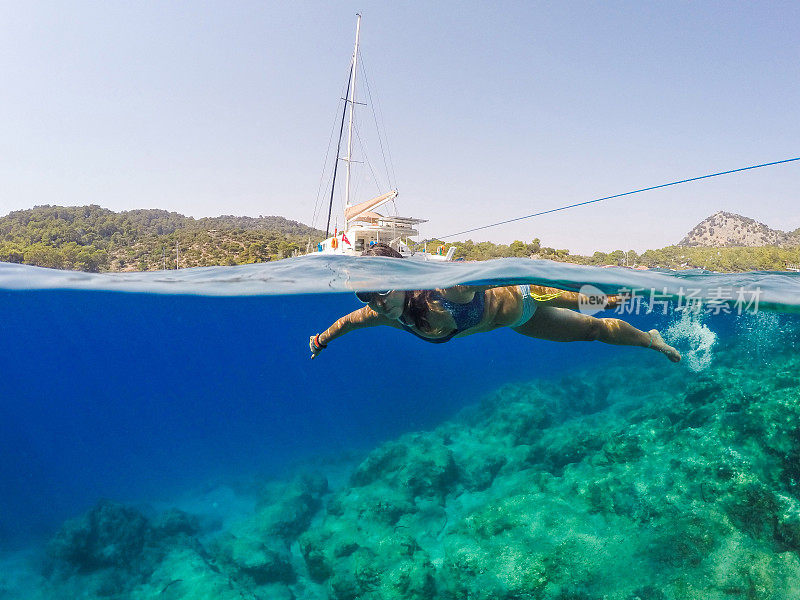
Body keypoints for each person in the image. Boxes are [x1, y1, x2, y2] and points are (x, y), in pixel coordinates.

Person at [309, 243, 681, 362]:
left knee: (601, 306)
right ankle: (651, 338)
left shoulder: (448, 289)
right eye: (365, 294)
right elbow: (347, 323)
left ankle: (627, 290)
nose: (375, 302)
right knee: (593, 332)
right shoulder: (388, 314)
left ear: (405, 279)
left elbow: (481, 276)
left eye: (383, 290)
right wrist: (321, 339)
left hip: (527, 293)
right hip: (520, 320)